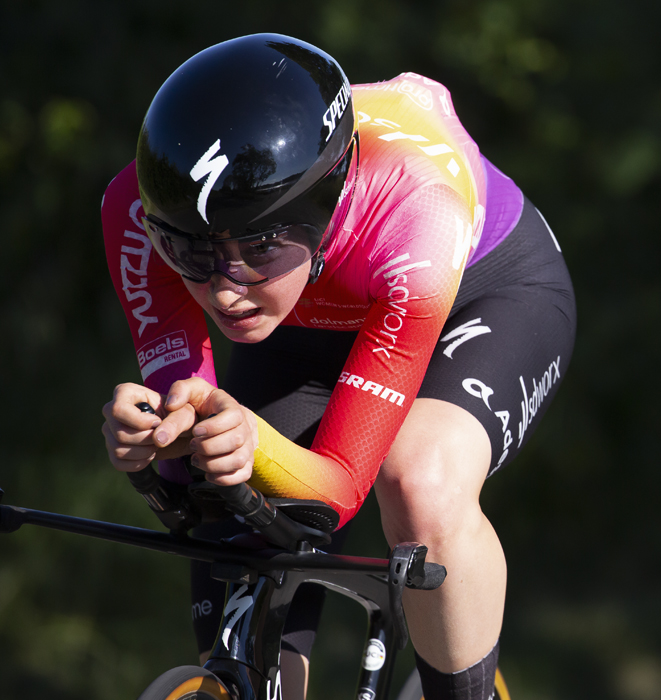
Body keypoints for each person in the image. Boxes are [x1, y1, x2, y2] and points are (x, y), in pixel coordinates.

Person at [101, 33, 576, 700]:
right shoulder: (138, 208)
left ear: (321, 211)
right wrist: (155, 443)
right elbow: (189, 474)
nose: (224, 288)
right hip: (307, 321)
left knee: (419, 480)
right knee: (238, 506)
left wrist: (251, 443)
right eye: (187, 253)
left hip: (479, 293)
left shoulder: (418, 213)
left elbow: (339, 486)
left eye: (257, 249)